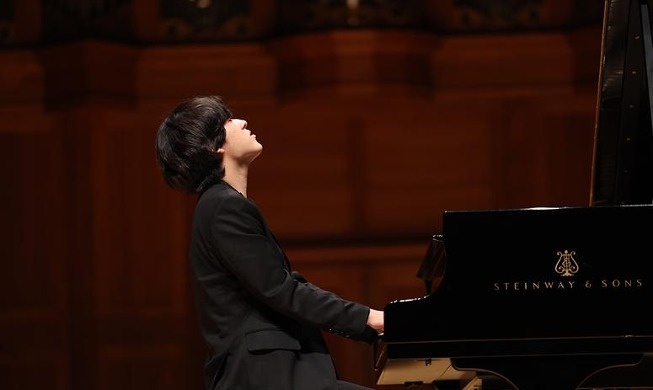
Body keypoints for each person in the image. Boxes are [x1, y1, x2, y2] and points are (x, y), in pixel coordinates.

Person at [155, 95, 384, 390]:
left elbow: (282, 286)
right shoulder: (223, 207)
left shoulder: (222, 205)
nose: (242, 122)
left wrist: (371, 325)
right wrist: (372, 318)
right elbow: (282, 290)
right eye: (228, 120)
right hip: (264, 376)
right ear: (213, 146)